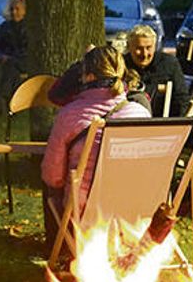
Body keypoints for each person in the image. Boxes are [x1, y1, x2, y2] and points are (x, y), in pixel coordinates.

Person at [41, 46, 150, 253]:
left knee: (50, 182)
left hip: (86, 210)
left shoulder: (70, 114)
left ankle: (60, 250)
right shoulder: (140, 113)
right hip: (134, 207)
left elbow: (52, 177)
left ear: (87, 76)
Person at [124, 24, 189, 117]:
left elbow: (181, 98)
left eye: (148, 48)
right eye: (139, 48)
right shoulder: (121, 65)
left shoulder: (169, 64)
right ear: (129, 47)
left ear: (155, 46)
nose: (145, 54)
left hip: (161, 122)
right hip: (129, 122)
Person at [0, 0, 28, 107]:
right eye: (12, 9)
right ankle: (10, 99)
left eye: (17, 9)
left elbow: (28, 48)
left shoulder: (29, 28)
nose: (14, 12)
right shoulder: (5, 27)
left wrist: (13, 58)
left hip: (24, 60)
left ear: (24, 11)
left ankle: (4, 95)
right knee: (12, 69)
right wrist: (0, 56)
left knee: (11, 66)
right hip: (10, 60)